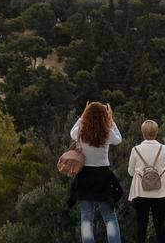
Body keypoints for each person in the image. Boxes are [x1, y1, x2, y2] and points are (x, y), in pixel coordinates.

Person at [68, 101, 123, 243]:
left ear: (87, 115)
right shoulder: (107, 132)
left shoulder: (81, 130)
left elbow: (71, 132)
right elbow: (119, 139)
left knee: (86, 217)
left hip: (85, 176)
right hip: (103, 177)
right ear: (104, 116)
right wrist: (111, 120)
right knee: (109, 216)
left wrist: (82, 115)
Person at [128, 120, 165, 243]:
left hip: (141, 192)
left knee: (141, 225)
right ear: (156, 132)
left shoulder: (135, 150)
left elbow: (131, 172)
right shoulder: (164, 149)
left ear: (142, 133)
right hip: (160, 192)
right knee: (159, 225)